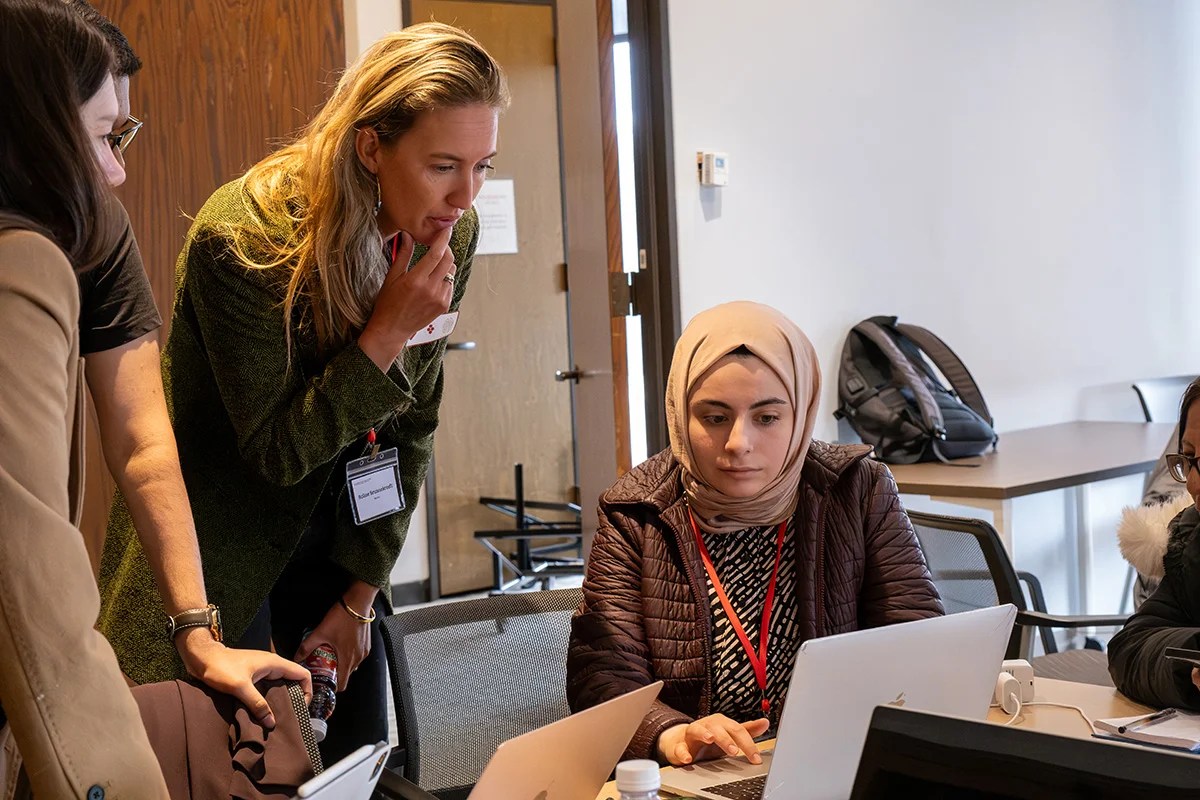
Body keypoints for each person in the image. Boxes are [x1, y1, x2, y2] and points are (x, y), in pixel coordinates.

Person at [98, 21, 509, 762]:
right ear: (371, 147)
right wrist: (383, 335)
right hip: (222, 552)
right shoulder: (249, 239)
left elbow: (412, 425)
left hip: (342, 545)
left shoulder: (451, 231)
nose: (464, 195)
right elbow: (275, 454)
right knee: (240, 770)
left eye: (483, 165)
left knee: (355, 767)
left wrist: (358, 597)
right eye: (444, 164)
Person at [62, 0, 312, 727]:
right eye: (104, 137)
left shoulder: (101, 243)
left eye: (124, 137)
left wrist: (195, 631)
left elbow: (142, 441)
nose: (114, 173)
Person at [566, 301, 943, 766]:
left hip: (835, 761)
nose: (738, 443)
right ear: (681, 414)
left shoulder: (856, 488)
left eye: (766, 418)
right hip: (703, 775)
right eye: (715, 417)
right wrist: (673, 734)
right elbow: (602, 676)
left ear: (801, 413)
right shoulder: (635, 511)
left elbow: (918, 638)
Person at [0, 1, 169, 794]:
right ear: (37, 128)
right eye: (104, 136)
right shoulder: (21, 264)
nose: (116, 171)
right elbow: (33, 594)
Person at [1108, 378, 1200, 709]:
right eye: (1189, 459)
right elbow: (1129, 648)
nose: (1191, 483)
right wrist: (1190, 658)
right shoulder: (1192, 540)